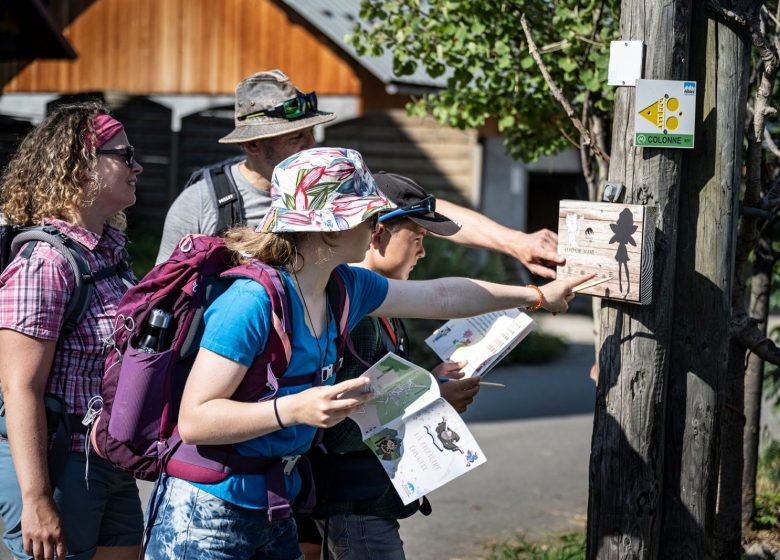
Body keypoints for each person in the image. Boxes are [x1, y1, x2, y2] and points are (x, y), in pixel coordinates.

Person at [142, 147, 592, 559]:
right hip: (206, 510)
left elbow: (442, 298)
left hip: (273, 499)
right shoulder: (251, 302)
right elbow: (196, 420)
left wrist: (535, 294)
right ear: (328, 227)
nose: (376, 226)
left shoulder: (345, 287)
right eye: (366, 215)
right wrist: (295, 409)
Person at [155, 69, 564, 280]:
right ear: (252, 145)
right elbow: (165, 296)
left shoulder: (329, 181)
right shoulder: (205, 204)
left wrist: (515, 242)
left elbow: (421, 209)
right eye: (296, 138)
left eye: (311, 133)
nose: (311, 146)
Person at [0, 103, 145, 559]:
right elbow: (19, 387)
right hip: (59, 468)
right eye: (124, 155)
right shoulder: (45, 265)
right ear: (81, 165)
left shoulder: (110, 252)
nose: (137, 165)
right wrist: (37, 499)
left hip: (108, 460)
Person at [313, 172, 481, 560]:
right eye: (417, 239)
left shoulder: (387, 309)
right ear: (376, 235)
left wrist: (430, 380)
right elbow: (340, 431)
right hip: (354, 503)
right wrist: (433, 397)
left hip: (374, 497)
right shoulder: (358, 320)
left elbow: (383, 387)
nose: (423, 252)